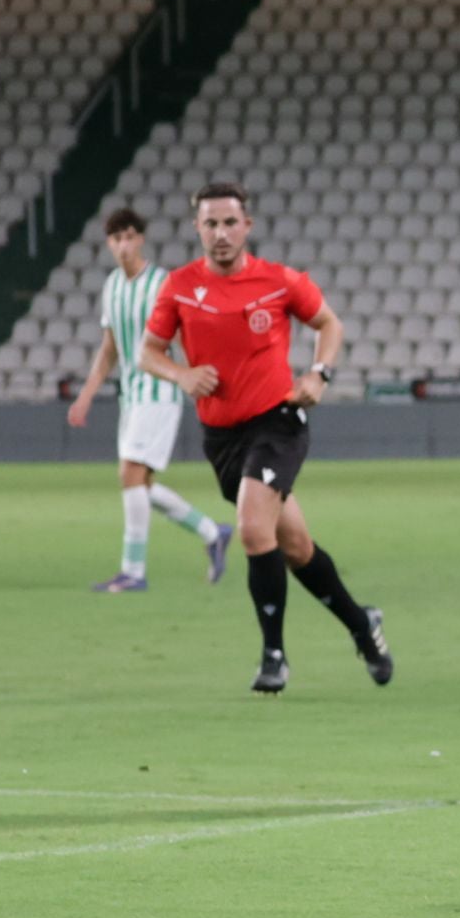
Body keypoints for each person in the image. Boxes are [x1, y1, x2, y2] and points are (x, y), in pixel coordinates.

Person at [139, 182, 391, 694]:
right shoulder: (180, 287)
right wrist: (182, 375)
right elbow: (148, 351)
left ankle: (273, 656)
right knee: (294, 546)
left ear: (247, 226)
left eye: (230, 222)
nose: (221, 232)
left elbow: (329, 323)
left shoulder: (278, 282)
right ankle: (362, 624)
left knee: (254, 530)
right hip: (221, 437)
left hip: (278, 422)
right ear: (197, 229)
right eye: (210, 223)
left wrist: (319, 374)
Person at [68, 208, 232, 591]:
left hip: (158, 391)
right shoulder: (112, 286)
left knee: (130, 475)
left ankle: (133, 571)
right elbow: (109, 348)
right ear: (109, 244)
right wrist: (86, 395)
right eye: (116, 239)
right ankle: (212, 532)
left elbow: (186, 334)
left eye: (129, 236)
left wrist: (197, 376)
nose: (123, 245)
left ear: (140, 238)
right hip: (131, 394)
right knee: (139, 483)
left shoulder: (162, 283)